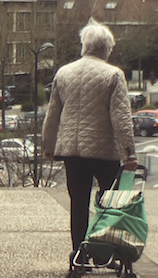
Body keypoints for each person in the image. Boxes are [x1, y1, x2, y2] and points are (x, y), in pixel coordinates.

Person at [42, 19, 138, 260]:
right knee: (110, 203)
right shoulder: (113, 75)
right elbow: (122, 118)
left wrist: (48, 145)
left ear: (84, 45)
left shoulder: (63, 73)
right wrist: (129, 154)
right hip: (104, 152)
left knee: (78, 203)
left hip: (72, 152)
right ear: (106, 49)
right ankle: (105, 249)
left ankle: (79, 252)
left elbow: (52, 114)